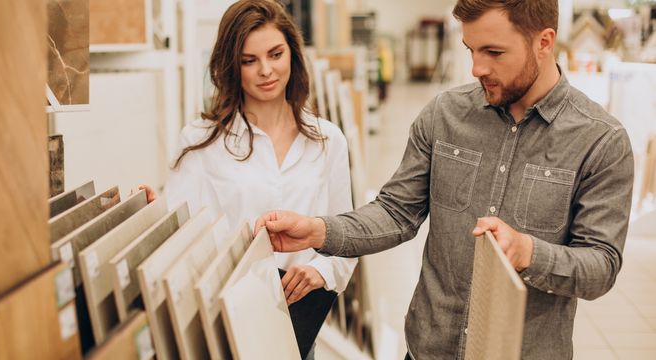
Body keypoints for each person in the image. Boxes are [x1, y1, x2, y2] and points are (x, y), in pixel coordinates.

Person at [254, 0, 634, 359]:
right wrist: (319, 231)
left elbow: (600, 266)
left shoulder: (600, 141)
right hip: (428, 348)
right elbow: (396, 212)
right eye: (471, 50)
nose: (476, 68)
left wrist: (528, 253)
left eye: (494, 52)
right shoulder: (445, 115)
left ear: (544, 42)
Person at [141, 0, 356, 358]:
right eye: (249, 60)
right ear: (231, 66)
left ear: (293, 54)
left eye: (275, 54)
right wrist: (153, 217)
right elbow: (183, 239)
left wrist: (320, 271)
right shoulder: (200, 141)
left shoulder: (327, 140)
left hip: (298, 321)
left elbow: (346, 237)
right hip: (226, 323)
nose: (266, 71)